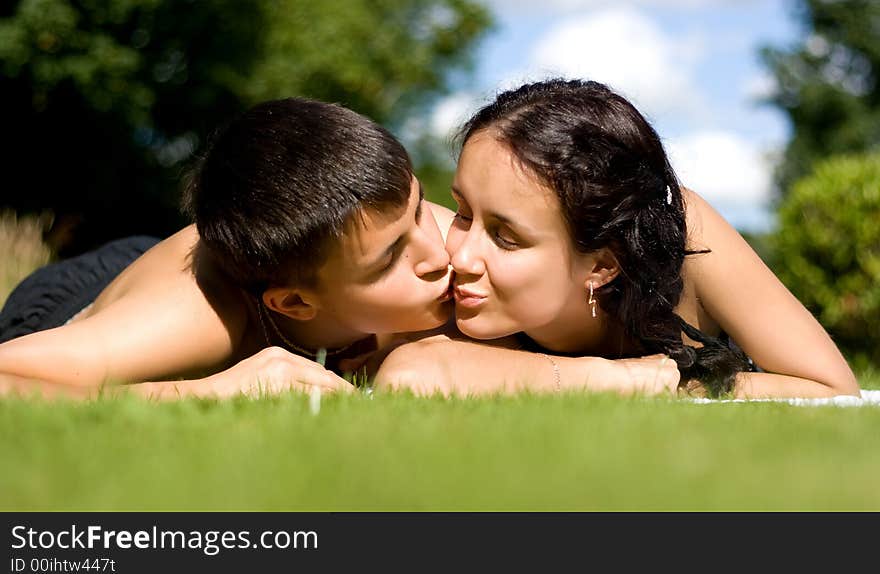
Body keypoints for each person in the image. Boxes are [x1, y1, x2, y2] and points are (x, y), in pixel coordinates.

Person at [374, 79, 860, 399]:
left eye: (506, 237)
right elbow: (411, 373)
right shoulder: (417, 255)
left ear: (602, 264)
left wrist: (680, 383)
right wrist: (624, 380)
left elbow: (827, 388)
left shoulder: (685, 236)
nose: (458, 252)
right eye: (461, 211)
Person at [0, 97, 457, 399]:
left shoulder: (394, 221)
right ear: (295, 302)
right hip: (74, 310)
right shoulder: (194, 318)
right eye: (391, 258)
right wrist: (209, 391)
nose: (439, 257)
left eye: (418, 209)